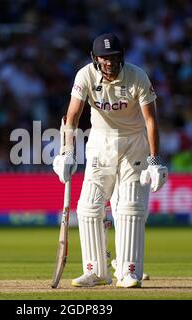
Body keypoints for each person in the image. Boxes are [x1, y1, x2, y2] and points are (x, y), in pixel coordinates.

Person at [53, 33, 168, 288]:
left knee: (129, 209)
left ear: (121, 57)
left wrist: (155, 160)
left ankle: (129, 272)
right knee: (88, 208)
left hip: (134, 142)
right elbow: (72, 117)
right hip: (100, 142)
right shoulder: (85, 76)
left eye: (113, 58)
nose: (109, 63)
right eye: (104, 59)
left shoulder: (137, 76)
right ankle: (96, 271)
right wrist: (67, 153)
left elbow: (151, 120)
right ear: (95, 59)